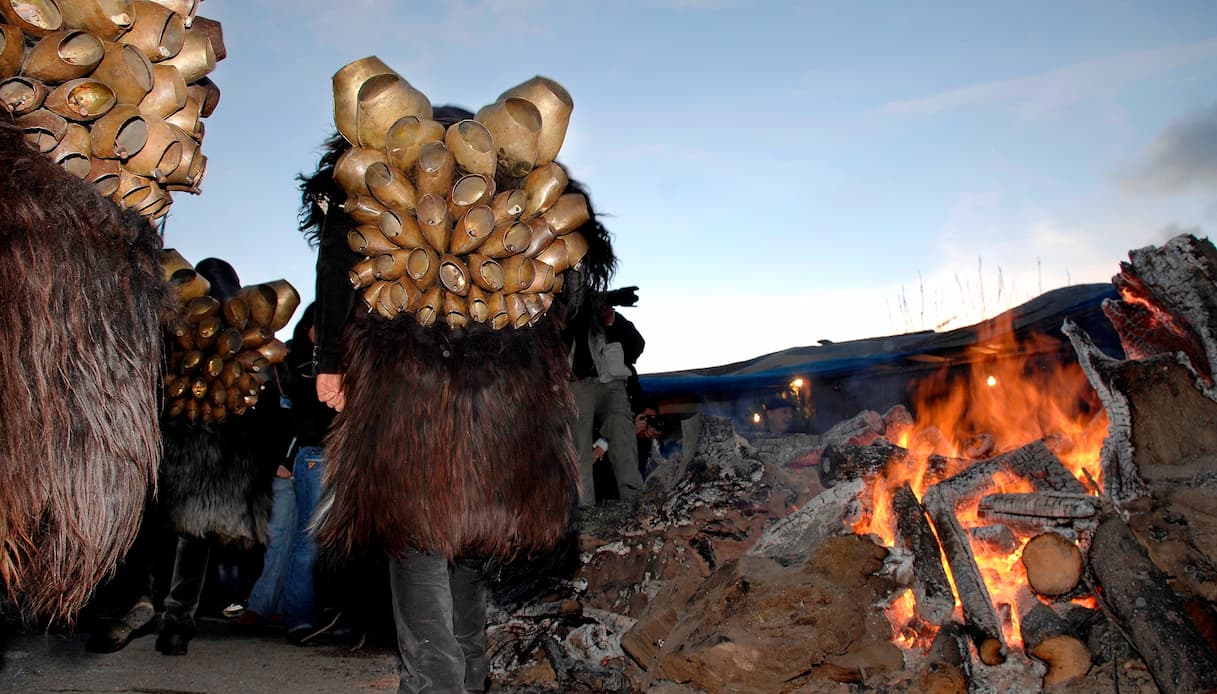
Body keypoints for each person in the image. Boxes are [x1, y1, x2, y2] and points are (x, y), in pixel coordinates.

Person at [300, 100, 614, 692]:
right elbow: (570, 299)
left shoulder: (384, 204)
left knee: (417, 543)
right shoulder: (517, 212)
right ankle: (468, 681)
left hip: (411, 398)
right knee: (469, 547)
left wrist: (331, 364)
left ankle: (437, 685)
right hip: (501, 406)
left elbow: (337, 261)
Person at [234, 303, 332, 644]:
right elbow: (280, 421)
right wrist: (281, 459)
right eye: (318, 325)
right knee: (287, 539)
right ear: (307, 327)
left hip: (308, 460)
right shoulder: (292, 367)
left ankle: (282, 608)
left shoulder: (322, 364)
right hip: (297, 462)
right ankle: (272, 610)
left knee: (297, 540)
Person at [566, 290, 647, 505]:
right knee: (580, 448)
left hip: (611, 383)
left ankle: (635, 503)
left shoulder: (612, 319)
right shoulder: (567, 312)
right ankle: (584, 512)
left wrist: (611, 321)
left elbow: (637, 346)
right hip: (578, 385)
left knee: (623, 437)